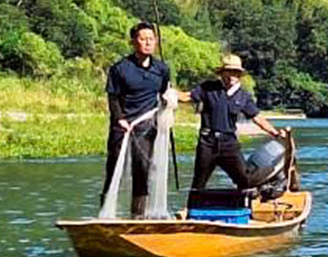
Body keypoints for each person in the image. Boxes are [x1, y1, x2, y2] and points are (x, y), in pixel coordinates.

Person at [182, 54, 285, 191]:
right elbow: (187, 96)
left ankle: (273, 176)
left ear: (239, 75)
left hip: (229, 144)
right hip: (207, 143)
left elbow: (257, 118)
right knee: (198, 184)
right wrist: (168, 94)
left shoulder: (243, 96)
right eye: (228, 71)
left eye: (235, 72)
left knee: (245, 180)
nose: (231, 76)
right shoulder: (208, 88)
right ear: (222, 73)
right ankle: (193, 204)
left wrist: (275, 133)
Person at [102, 22, 174, 218]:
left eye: (151, 39)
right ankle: (106, 212)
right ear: (133, 42)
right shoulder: (120, 68)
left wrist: (168, 101)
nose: (148, 43)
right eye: (143, 39)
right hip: (123, 125)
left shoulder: (162, 69)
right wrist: (120, 119)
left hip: (147, 125)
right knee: (114, 168)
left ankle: (138, 215)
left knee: (142, 169)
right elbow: (113, 97)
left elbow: (164, 92)